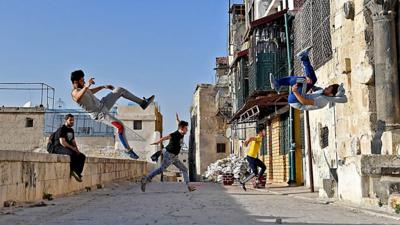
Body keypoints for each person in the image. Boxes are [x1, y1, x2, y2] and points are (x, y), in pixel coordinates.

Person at [70, 70, 155, 159]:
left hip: (103, 104)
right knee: (120, 126)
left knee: (119, 90)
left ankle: (142, 103)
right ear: (76, 82)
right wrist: (87, 85)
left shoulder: (84, 89)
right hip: (100, 114)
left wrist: (103, 87)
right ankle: (128, 150)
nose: (84, 82)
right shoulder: (74, 93)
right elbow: (78, 96)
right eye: (82, 80)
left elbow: (91, 91)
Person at [270, 47, 347, 111]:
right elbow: (312, 85)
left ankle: (277, 83)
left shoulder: (323, 101)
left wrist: (295, 91)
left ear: (331, 94)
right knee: (313, 79)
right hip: (300, 96)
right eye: (329, 86)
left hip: (296, 101)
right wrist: (309, 80)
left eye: (329, 88)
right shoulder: (322, 92)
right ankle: (304, 57)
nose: (327, 87)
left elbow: (304, 101)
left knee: (303, 80)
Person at [141, 119, 196, 192]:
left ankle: (189, 186)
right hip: (169, 155)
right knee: (161, 169)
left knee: (184, 169)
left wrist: (177, 120)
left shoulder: (181, 133)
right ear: (182, 128)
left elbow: (179, 124)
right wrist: (158, 142)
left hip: (174, 157)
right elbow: (165, 138)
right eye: (186, 128)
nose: (187, 130)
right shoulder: (175, 134)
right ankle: (146, 179)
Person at [52, 114, 86, 182]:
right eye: (70, 120)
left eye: (73, 120)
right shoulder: (62, 129)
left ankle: (77, 173)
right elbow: (62, 142)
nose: (72, 121)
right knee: (72, 154)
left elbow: (73, 141)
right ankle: (73, 170)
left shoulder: (71, 130)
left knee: (82, 156)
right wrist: (73, 149)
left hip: (67, 147)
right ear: (66, 120)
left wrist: (77, 150)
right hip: (58, 147)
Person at [239, 124, 267, 191]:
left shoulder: (259, 137)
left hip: (253, 157)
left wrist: (247, 142)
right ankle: (242, 181)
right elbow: (251, 138)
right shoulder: (259, 137)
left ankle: (257, 180)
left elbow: (252, 138)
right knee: (255, 172)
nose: (265, 132)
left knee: (263, 167)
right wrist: (247, 141)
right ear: (260, 132)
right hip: (251, 157)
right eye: (264, 131)